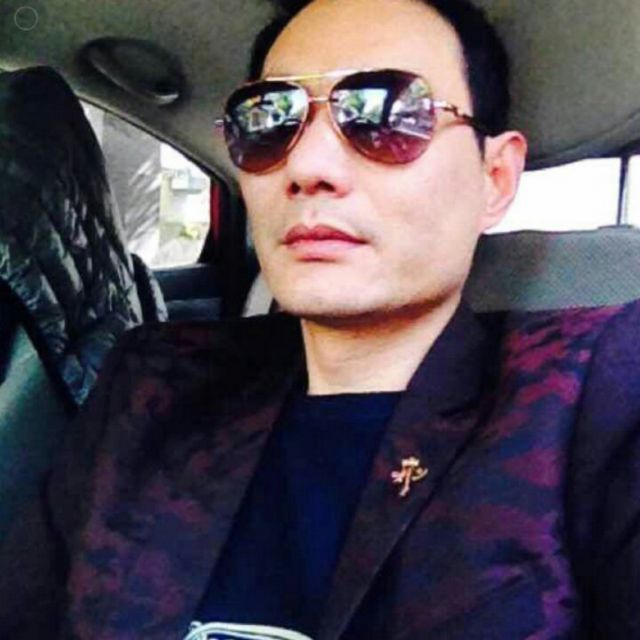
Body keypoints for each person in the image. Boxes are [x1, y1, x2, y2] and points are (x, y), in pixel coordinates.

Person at [1, 0, 639, 638]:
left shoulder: (599, 393)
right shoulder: (151, 385)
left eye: (385, 114)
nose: (307, 168)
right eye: (269, 120)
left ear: (495, 178)